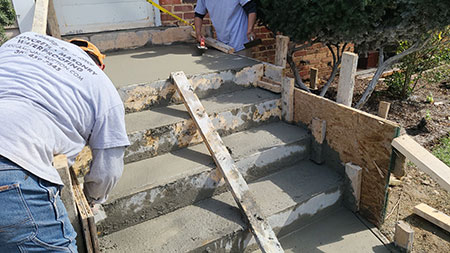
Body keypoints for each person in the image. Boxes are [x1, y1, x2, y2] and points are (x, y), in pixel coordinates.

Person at [0, 32, 130, 252]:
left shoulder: (21, 42)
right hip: (14, 165)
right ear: (101, 67)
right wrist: (91, 199)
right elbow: (109, 170)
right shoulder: (103, 87)